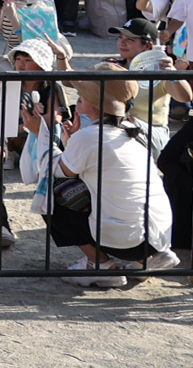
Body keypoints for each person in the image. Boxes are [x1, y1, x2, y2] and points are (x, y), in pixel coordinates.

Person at [45, 75, 179, 289]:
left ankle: (100, 264)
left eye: (85, 93)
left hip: (128, 241)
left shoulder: (89, 136)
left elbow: (61, 173)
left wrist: (43, 136)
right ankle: (143, 261)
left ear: (98, 102)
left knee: (51, 191)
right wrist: (74, 143)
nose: (79, 95)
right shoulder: (134, 130)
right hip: (159, 237)